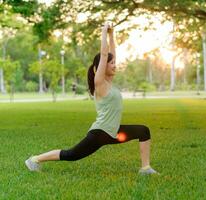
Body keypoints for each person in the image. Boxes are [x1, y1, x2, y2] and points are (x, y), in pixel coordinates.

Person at [25, 23, 158, 175]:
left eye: (115, 63)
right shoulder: (100, 83)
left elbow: (111, 53)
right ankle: (34, 160)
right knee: (71, 155)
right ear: (102, 66)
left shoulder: (109, 82)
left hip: (113, 131)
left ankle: (145, 168)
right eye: (111, 63)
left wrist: (111, 35)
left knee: (143, 131)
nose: (115, 65)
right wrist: (103, 32)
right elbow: (104, 54)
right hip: (100, 133)